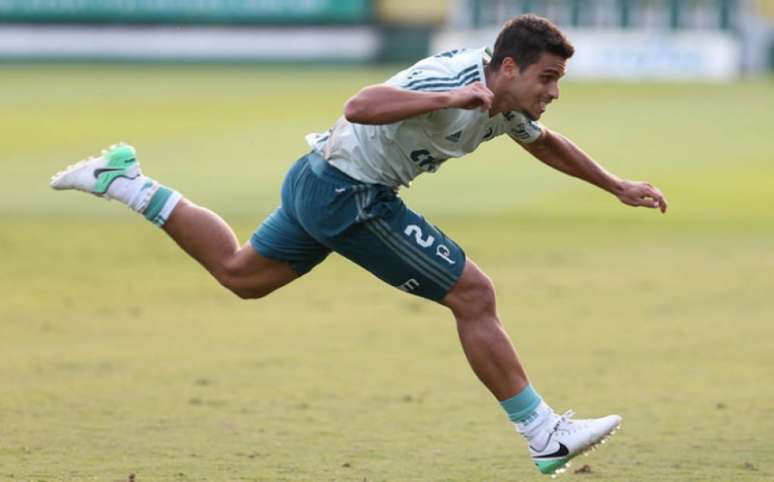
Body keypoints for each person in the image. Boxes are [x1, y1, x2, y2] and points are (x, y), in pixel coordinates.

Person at [50, 14, 667, 476]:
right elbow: (360, 104)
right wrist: (449, 98)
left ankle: (126, 182)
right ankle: (543, 434)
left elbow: (542, 140)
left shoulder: (502, 103)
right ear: (508, 68)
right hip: (350, 193)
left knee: (242, 274)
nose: (553, 91)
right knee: (474, 294)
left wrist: (614, 185)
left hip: (321, 180)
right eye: (548, 77)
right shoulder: (455, 78)